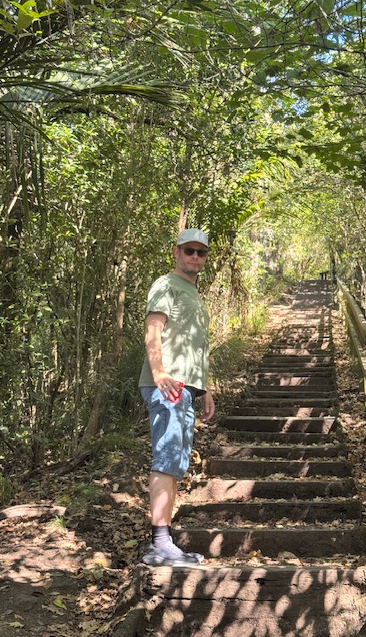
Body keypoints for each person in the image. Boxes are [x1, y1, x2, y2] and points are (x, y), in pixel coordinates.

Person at [139, 228, 215, 566]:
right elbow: (153, 330)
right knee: (167, 459)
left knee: (176, 463)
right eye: (189, 251)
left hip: (187, 388)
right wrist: (159, 374)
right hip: (169, 385)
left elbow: (197, 345)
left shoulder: (194, 293)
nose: (195, 257)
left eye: (201, 252)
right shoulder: (165, 285)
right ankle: (159, 545)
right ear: (177, 252)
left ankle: (165, 543)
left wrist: (206, 388)